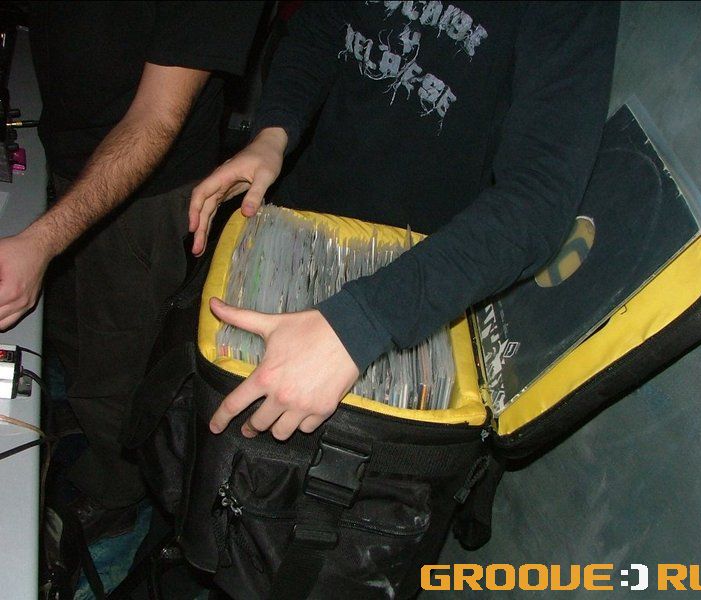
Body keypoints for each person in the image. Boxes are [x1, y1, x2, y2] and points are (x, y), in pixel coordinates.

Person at [188, 1, 619, 442]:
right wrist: (273, 133)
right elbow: (321, 26)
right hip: (299, 226)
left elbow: (538, 197)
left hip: (416, 287)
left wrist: (361, 323)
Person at [0, 1, 264, 539]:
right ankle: (83, 422)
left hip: (148, 194)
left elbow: (156, 118)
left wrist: (42, 241)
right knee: (69, 330)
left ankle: (115, 495)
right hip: (69, 156)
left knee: (118, 370)